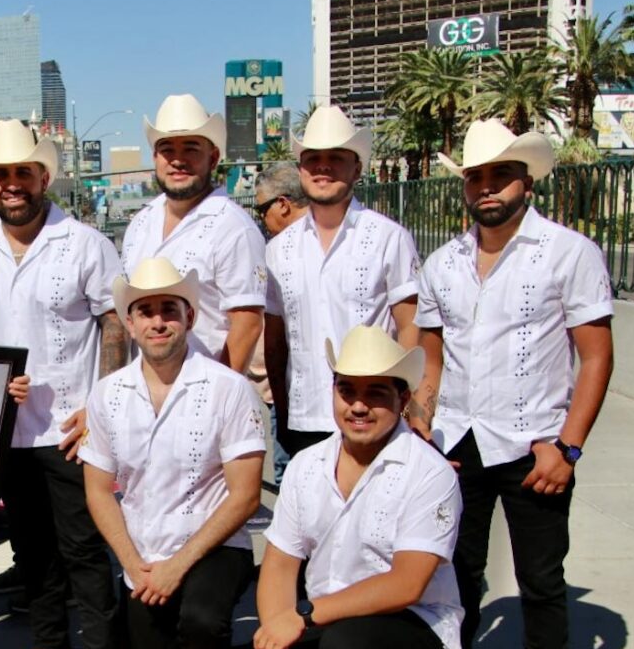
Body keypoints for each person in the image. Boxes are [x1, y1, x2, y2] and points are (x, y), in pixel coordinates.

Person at [410, 119, 615, 649]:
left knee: (541, 580)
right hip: (457, 444)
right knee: (453, 575)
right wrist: (423, 429)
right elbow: (431, 362)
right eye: (476, 176)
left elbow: (595, 356)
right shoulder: (442, 263)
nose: (488, 186)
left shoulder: (568, 252)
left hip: (535, 447)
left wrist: (568, 447)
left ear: (527, 182)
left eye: (501, 174)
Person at [231, 326, 462, 649]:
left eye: (375, 393)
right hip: (329, 621)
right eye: (347, 391)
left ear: (402, 399)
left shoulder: (428, 473)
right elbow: (280, 564)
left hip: (415, 625)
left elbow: (407, 584)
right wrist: (280, 646)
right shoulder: (307, 465)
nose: (358, 406)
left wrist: (302, 618)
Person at [82, 258, 265, 649]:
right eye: (146, 311)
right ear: (130, 323)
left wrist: (177, 566)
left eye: (169, 309)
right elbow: (98, 490)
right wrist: (132, 564)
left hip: (213, 545)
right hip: (142, 555)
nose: (158, 321)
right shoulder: (107, 393)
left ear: (189, 317)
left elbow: (245, 496)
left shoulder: (229, 388)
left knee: (201, 622)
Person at [0, 119, 127, 649]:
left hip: (70, 428)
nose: (12, 184)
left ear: (43, 177)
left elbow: (114, 323)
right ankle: (50, 645)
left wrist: (100, 406)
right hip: (3, 429)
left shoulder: (85, 243)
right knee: (31, 547)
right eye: (0, 173)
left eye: (23, 173)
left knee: (83, 547)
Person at [264, 106, 421, 456]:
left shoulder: (388, 238)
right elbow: (275, 343)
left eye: (336, 158)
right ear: (301, 169)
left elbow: (411, 329)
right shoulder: (278, 250)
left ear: (357, 168)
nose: (323, 167)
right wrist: (283, 411)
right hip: (303, 421)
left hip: (372, 416)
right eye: (313, 159)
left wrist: (408, 410)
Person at [121, 94, 266, 372]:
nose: (178, 160)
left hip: (205, 385)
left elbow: (247, 323)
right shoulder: (140, 224)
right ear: (155, 158)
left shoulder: (233, 226)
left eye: (190, 149)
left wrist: (218, 391)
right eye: (167, 150)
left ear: (213, 158)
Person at [249, 162, 308, 486]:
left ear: (283, 204)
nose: (262, 219)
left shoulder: (275, 254)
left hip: (290, 395)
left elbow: (274, 341)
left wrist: (279, 402)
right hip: (296, 394)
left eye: (262, 210)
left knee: (293, 485)